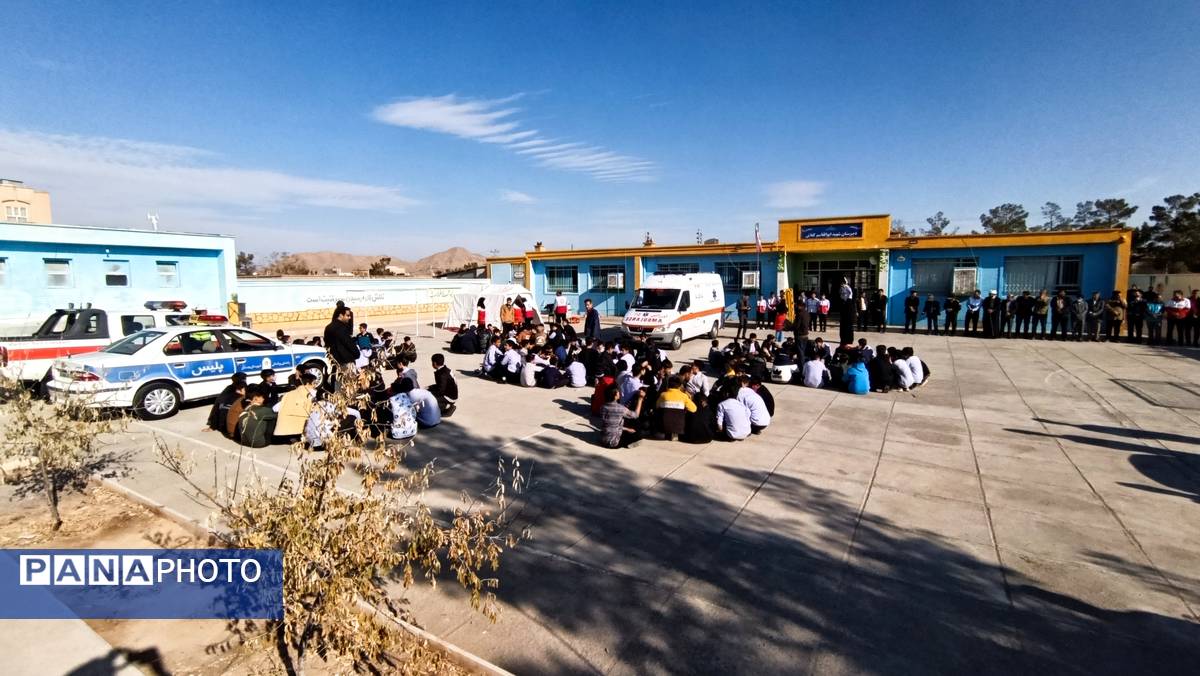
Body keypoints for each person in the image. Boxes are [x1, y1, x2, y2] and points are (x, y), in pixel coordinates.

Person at [274, 372, 318, 440]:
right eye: (314, 383)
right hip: (301, 431)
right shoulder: (312, 393)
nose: (315, 385)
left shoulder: (288, 394)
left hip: (282, 431)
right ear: (307, 383)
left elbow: (275, 408)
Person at [323, 305, 359, 385]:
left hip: (335, 361)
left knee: (338, 384)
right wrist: (357, 353)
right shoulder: (341, 328)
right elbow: (348, 342)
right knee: (349, 385)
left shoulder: (328, 327)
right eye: (347, 315)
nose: (349, 318)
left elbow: (327, 344)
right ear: (340, 315)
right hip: (346, 362)